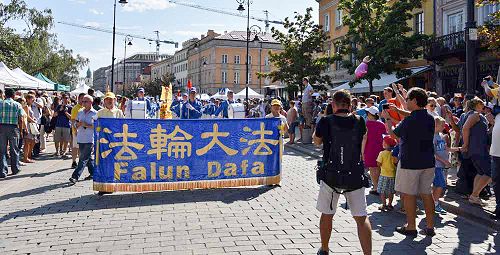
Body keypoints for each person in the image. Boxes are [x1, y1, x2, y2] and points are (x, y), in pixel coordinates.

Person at [313, 90, 371, 255]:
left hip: (331, 175)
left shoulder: (326, 121)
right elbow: (363, 138)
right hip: (355, 173)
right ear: (350, 104)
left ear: (333, 104)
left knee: (327, 214)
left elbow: (317, 142)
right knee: (361, 217)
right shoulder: (359, 121)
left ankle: (324, 248)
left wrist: (325, 117)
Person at [387, 87, 436, 237]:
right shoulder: (430, 117)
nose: (406, 101)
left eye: (407, 99)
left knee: (409, 195)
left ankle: (411, 226)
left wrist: (387, 118)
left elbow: (393, 135)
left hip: (410, 162)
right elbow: (416, 116)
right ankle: (430, 227)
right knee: (427, 194)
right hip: (428, 161)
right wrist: (399, 111)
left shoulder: (409, 120)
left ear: (414, 100)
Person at [461, 97, 491, 206]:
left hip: (477, 149)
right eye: (481, 104)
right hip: (478, 149)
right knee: (489, 173)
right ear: (477, 105)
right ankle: (474, 195)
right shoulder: (475, 115)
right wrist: (465, 144)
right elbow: (465, 128)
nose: (483, 106)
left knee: (481, 172)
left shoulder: (472, 115)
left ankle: (475, 196)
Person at [433, 116, 459, 213]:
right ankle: (435, 204)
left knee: (437, 185)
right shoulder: (432, 136)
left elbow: (446, 149)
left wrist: (458, 149)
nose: (444, 126)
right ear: (436, 125)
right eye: (442, 125)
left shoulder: (441, 135)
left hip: (441, 165)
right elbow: (433, 153)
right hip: (436, 165)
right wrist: (445, 162)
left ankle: (433, 203)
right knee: (440, 185)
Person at [69, 95, 97, 184]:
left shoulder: (95, 113)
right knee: (87, 158)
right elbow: (75, 122)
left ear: (91, 103)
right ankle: (93, 173)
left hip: (89, 139)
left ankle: (75, 177)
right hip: (81, 138)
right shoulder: (80, 112)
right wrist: (76, 125)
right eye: (83, 101)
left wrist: (86, 125)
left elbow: (97, 126)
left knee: (82, 158)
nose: (83, 103)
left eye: (85, 101)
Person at [0, 88, 23, 177]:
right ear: (13, 96)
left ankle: (2, 171)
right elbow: (21, 119)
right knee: (14, 149)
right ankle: (15, 169)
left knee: (2, 150)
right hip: (13, 128)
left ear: (5, 95)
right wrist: (21, 131)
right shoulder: (17, 104)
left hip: (1, 127)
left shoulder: (0, 103)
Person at [364, 106, 386, 195]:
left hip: (369, 148)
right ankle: (380, 186)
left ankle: (376, 187)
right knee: (379, 168)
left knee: (372, 169)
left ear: (371, 114)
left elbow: (364, 138)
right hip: (380, 148)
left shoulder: (366, 124)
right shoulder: (381, 124)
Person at [376, 135, 398, 211]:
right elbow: (396, 163)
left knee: (382, 191)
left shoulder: (382, 153)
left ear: (385, 144)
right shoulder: (394, 154)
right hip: (392, 175)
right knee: (391, 191)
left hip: (383, 175)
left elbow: (378, 163)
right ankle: (390, 204)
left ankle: (384, 204)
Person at [70, 93, 85, 168]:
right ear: (78, 99)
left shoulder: (85, 108)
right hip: (77, 131)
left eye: (84, 98)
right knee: (75, 147)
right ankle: (73, 161)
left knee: (81, 148)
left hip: (84, 132)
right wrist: (75, 130)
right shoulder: (75, 108)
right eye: (81, 98)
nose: (83, 100)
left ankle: (80, 161)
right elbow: (73, 120)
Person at [22, 94, 37, 164]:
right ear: (28, 99)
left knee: (32, 141)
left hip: (31, 125)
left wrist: (33, 119)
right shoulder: (26, 106)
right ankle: (26, 158)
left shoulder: (30, 106)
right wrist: (34, 120)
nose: (33, 100)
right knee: (27, 143)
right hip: (28, 125)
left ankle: (28, 156)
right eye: (32, 99)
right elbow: (27, 116)